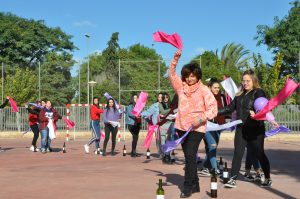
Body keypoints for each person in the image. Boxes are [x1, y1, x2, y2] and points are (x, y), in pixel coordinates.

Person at [168, 50, 218, 198]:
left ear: (197, 76)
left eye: (193, 76)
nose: (190, 79)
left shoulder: (204, 90)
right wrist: (175, 57)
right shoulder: (180, 87)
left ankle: (187, 187)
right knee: (189, 156)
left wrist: (202, 118)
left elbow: (213, 109)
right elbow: (171, 74)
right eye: (187, 76)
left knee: (190, 157)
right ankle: (195, 184)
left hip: (197, 129)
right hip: (181, 127)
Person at [218, 69, 278, 188]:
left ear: (253, 81)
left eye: (248, 81)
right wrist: (214, 111)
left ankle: (267, 177)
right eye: (243, 81)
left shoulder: (258, 92)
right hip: (241, 129)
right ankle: (233, 178)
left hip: (256, 129)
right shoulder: (239, 95)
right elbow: (229, 108)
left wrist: (257, 113)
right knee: (237, 153)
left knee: (259, 153)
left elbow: (263, 106)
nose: (245, 83)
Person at [200, 77, 227, 176]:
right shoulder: (205, 98)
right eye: (215, 87)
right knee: (212, 146)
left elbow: (226, 109)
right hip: (207, 126)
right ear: (209, 88)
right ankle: (215, 169)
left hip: (218, 126)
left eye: (218, 88)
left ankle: (205, 167)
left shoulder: (222, 97)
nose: (217, 89)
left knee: (213, 148)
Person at [125, 93, 141, 157]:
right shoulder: (130, 106)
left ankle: (133, 151)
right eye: (134, 98)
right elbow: (130, 114)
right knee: (135, 137)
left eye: (137, 98)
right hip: (131, 124)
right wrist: (136, 115)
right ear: (132, 99)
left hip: (137, 123)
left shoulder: (138, 105)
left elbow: (140, 113)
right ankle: (133, 152)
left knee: (136, 138)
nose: (136, 99)